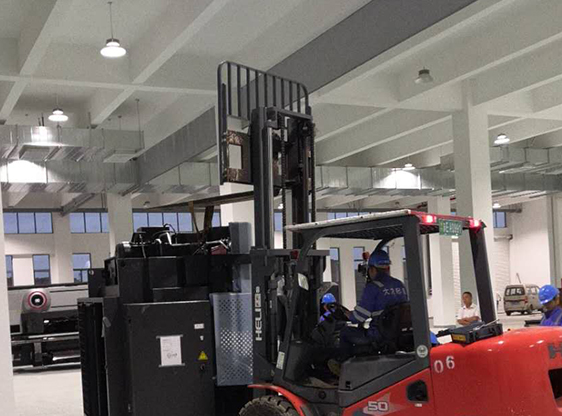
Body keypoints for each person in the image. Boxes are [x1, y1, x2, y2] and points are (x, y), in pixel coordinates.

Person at [329, 250, 407, 375]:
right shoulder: (399, 285)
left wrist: (347, 314)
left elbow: (358, 317)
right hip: (395, 334)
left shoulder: (373, 287)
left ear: (372, 269)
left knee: (345, 332)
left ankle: (342, 368)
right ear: (387, 268)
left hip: (377, 336)